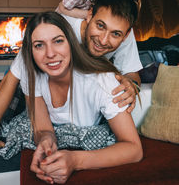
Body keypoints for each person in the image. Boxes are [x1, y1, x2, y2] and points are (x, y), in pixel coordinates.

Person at [0, 0, 142, 156]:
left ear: (125, 35)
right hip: (33, 91)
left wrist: (131, 85)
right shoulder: (57, 29)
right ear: (90, 14)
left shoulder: (105, 76)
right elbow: (11, 77)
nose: (104, 40)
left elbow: (132, 73)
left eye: (115, 34)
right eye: (100, 26)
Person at [20, 11, 143, 184]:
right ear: (31, 51)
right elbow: (43, 128)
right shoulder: (30, 72)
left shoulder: (103, 81)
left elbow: (134, 149)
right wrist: (46, 141)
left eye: (58, 41)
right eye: (39, 45)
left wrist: (76, 160)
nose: (50, 54)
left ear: (71, 42)